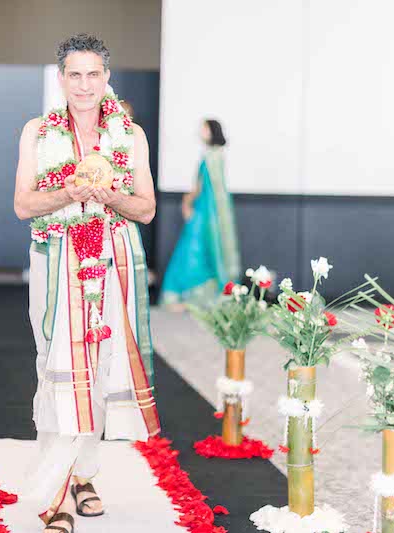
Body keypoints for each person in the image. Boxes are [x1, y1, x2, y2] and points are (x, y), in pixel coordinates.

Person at [13, 33, 161, 533]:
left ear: (106, 79)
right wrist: (65, 194)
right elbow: (22, 205)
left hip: (112, 263)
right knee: (53, 366)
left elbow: (146, 208)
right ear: (61, 80)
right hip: (55, 263)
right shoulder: (38, 132)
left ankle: (83, 477)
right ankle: (57, 491)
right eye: (74, 74)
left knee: (99, 371)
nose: (83, 84)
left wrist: (110, 194)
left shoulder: (131, 135)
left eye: (93, 74)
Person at [159, 119, 240, 309]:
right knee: (194, 251)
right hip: (205, 212)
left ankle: (193, 298)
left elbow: (203, 187)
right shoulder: (213, 155)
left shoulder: (213, 157)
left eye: (204, 129)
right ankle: (190, 297)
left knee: (193, 250)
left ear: (212, 131)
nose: (200, 132)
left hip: (206, 214)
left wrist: (187, 201)